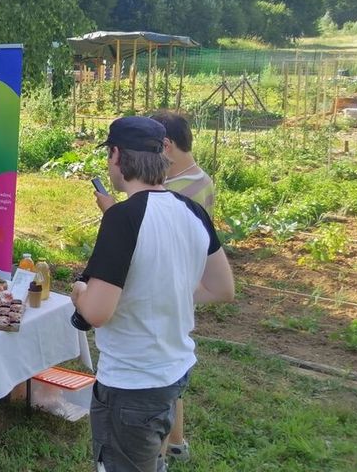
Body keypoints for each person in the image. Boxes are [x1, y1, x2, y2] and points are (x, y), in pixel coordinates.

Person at [72, 116, 234, 472]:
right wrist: (168, 289)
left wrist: (79, 291)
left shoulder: (122, 218)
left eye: (109, 155)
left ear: (116, 156)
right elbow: (222, 288)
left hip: (131, 382)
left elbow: (96, 312)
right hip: (174, 372)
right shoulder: (192, 210)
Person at [149, 111, 214, 463]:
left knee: (160, 376)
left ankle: (157, 455)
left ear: (166, 145)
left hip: (166, 288)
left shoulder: (176, 192)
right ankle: (176, 442)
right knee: (173, 370)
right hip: (184, 284)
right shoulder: (201, 179)